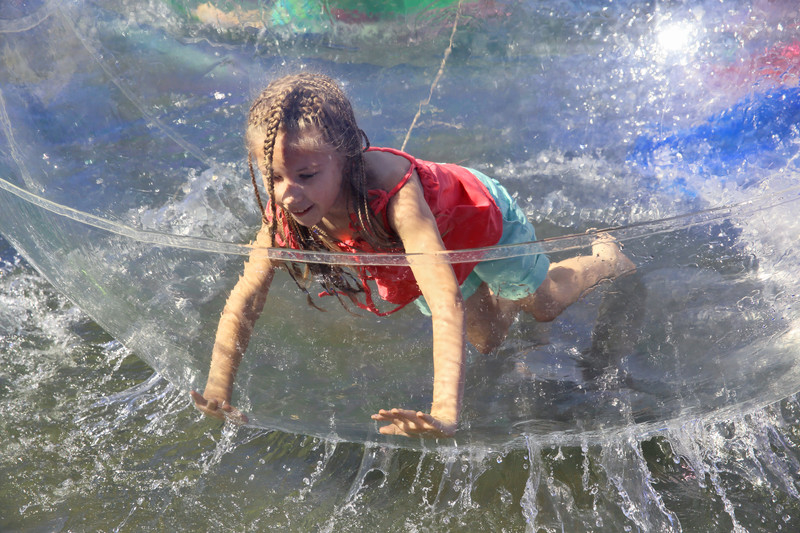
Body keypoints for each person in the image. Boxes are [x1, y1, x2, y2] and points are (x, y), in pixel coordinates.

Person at [190, 73, 635, 439]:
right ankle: (506, 294)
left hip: (478, 219)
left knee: (546, 306)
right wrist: (218, 389)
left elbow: (444, 301)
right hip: (423, 252)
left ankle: (606, 257)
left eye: (306, 174)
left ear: (346, 159)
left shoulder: (394, 193)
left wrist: (442, 412)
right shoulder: (284, 215)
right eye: (274, 177)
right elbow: (246, 298)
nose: (288, 193)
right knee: (488, 341)